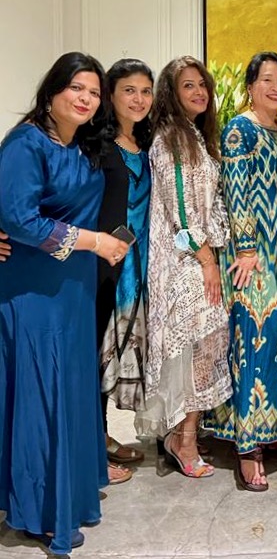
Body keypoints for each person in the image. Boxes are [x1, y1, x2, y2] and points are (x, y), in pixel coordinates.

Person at [0, 52, 131, 554]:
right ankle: (38, 508)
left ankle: (64, 493)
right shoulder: (26, 142)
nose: (86, 98)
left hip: (74, 288)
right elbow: (20, 219)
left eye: (94, 92)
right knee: (40, 393)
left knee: (68, 388)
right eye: (77, 87)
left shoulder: (83, 143)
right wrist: (94, 242)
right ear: (52, 89)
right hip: (33, 290)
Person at [137, 56, 232, 478]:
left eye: (202, 85)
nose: (198, 92)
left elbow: (211, 202)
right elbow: (180, 216)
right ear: (172, 94)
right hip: (183, 259)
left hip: (199, 254)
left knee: (203, 345)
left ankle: (182, 430)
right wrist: (207, 258)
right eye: (187, 85)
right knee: (200, 342)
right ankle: (184, 438)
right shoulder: (171, 139)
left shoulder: (195, 136)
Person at [206, 52, 277, 491]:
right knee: (252, 343)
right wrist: (245, 250)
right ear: (250, 86)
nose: (274, 88)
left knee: (271, 343)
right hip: (252, 255)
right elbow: (236, 192)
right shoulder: (239, 130)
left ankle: (261, 430)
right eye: (266, 80)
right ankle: (247, 447)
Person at [96, 58, 155, 483]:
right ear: (111, 95)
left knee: (116, 349)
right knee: (97, 353)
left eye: (145, 91)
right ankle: (92, 451)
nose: (138, 99)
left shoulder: (146, 142)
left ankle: (100, 437)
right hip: (105, 265)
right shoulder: (96, 145)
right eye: (129, 90)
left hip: (140, 263)